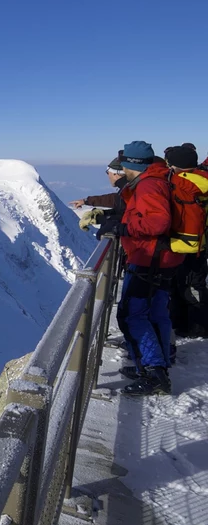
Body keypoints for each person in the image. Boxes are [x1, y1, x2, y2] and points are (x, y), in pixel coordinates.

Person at [98, 141, 184, 395]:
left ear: (130, 164)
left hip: (149, 258)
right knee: (156, 311)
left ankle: (153, 372)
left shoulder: (148, 185)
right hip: (163, 258)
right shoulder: (158, 179)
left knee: (132, 315)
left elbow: (157, 222)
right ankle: (157, 362)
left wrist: (121, 229)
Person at [163, 144, 208, 339]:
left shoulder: (182, 183)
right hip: (199, 240)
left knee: (190, 284)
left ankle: (198, 326)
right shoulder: (201, 178)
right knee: (189, 283)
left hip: (186, 242)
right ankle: (186, 322)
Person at [73, 153, 127, 231]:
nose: (108, 176)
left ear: (115, 173)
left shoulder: (131, 191)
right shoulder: (127, 189)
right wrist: (87, 202)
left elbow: (130, 218)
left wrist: (100, 219)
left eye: (108, 172)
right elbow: (117, 202)